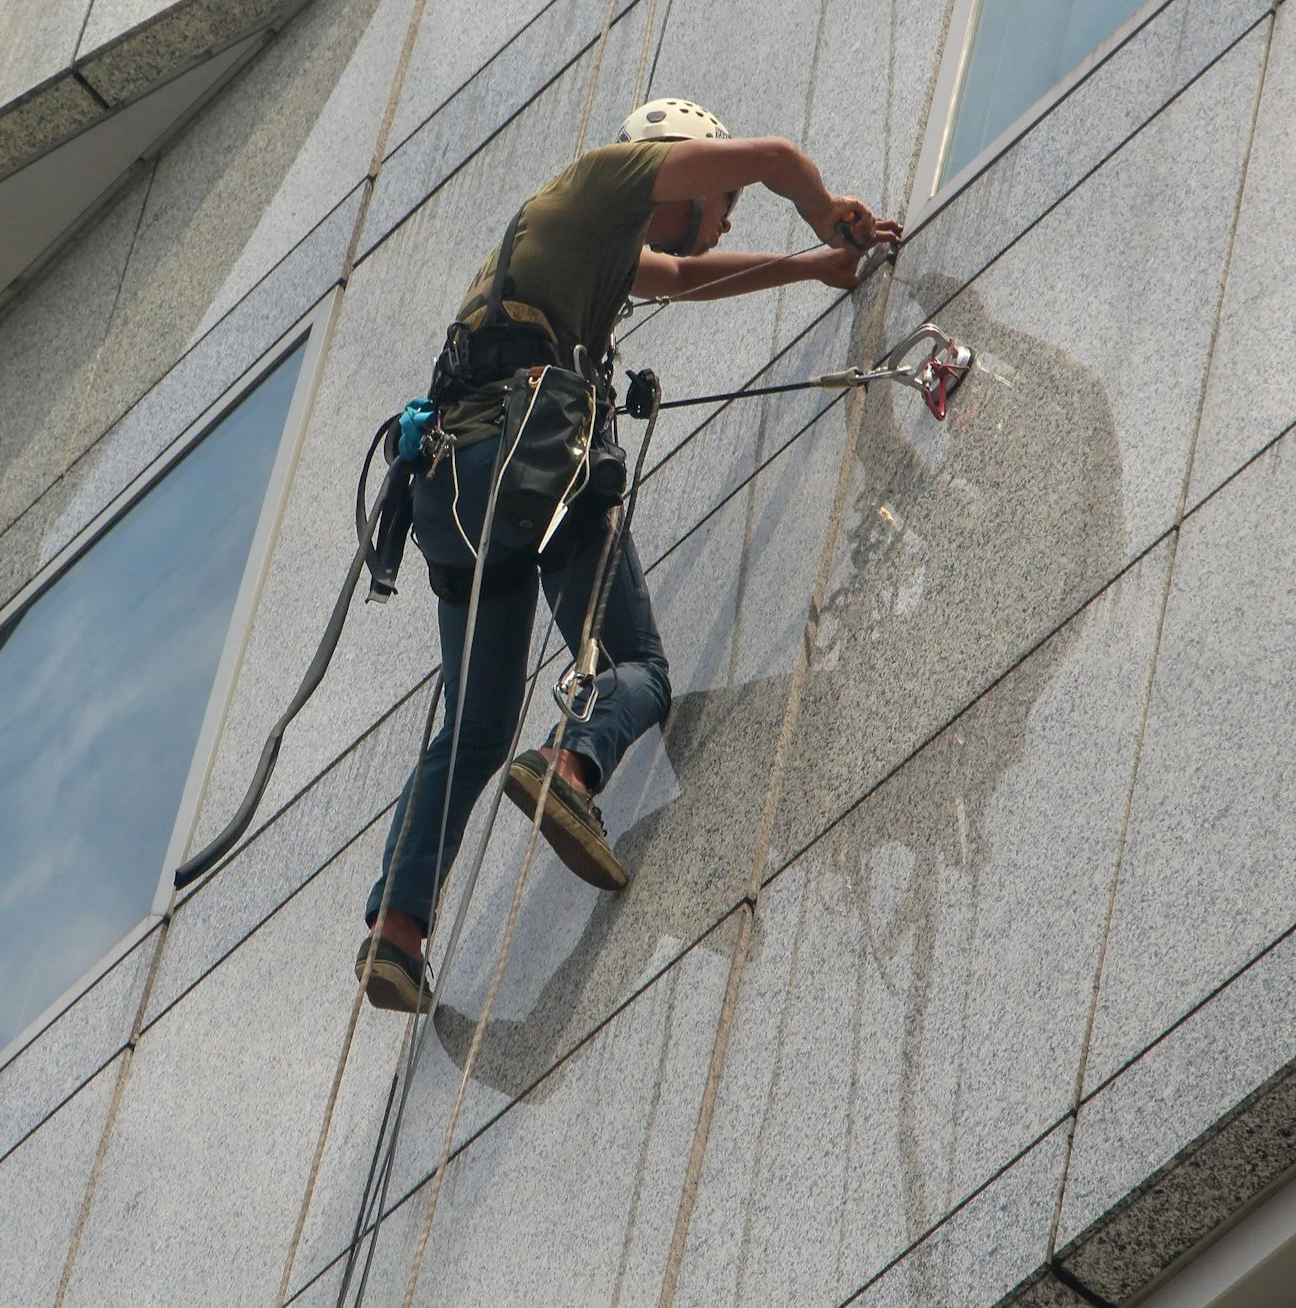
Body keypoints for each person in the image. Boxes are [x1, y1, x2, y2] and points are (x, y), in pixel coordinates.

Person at [355, 99, 902, 1014]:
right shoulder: (601, 180)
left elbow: (682, 275)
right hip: (533, 463)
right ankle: (571, 766)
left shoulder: (578, 246)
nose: (723, 218)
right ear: (680, 168)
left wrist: (812, 269)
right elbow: (773, 156)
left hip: (452, 492)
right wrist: (827, 212)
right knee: (639, 665)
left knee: (475, 727)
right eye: (718, 198)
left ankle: (396, 931)